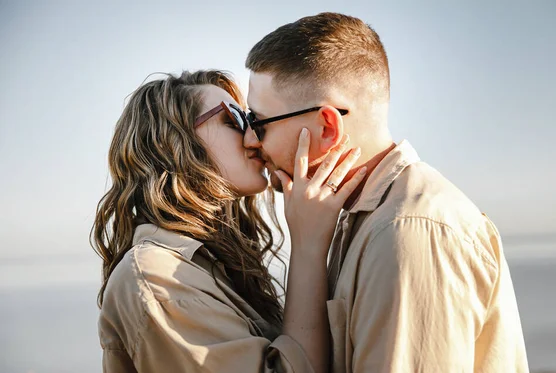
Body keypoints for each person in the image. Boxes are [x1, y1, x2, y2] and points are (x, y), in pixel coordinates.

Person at [244, 12, 529, 372]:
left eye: (257, 122)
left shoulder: (408, 232)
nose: (250, 140)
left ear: (327, 127)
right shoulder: (363, 218)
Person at [92, 69, 366, 373]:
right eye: (233, 120)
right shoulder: (156, 275)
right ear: (172, 141)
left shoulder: (207, 266)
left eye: (250, 121)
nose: (254, 139)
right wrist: (307, 247)